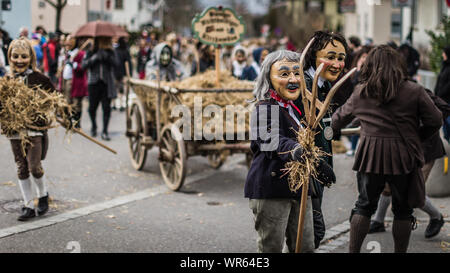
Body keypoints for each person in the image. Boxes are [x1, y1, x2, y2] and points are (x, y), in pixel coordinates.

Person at [332, 45, 443, 253]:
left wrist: (330, 130)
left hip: (370, 155)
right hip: (404, 156)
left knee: (363, 205)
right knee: (402, 210)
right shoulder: (414, 90)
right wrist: (419, 137)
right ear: (398, 65)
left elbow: (337, 121)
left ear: (370, 65)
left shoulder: (361, 92)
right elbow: (435, 119)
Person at [245, 50, 336, 253]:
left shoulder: (294, 108)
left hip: (299, 189)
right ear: (269, 78)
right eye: (284, 74)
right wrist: (296, 150)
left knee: (304, 247)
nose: (293, 79)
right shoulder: (264, 108)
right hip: (271, 189)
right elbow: (272, 140)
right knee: (271, 249)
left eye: (297, 73)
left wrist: (317, 163)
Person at [1, 37, 72, 221]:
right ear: (10, 57)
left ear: (30, 58)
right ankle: (27, 205)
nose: (19, 60)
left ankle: (43, 195)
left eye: (23, 56)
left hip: (35, 130)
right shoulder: (7, 81)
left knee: (34, 167)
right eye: (15, 56)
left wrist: (66, 117)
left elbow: (56, 99)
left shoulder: (40, 79)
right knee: (21, 167)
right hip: (15, 131)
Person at [368, 89, 450, 238]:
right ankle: (378, 221)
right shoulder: (386, 92)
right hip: (402, 149)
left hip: (426, 150)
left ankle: (437, 217)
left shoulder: (418, 91)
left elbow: (444, 108)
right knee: (387, 185)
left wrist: (424, 125)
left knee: (413, 192)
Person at [294, 30, 349, 248]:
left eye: (341, 58)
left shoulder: (323, 84)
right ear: (313, 57)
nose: (336, 64)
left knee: (311, 232)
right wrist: (316, 163)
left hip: (319, 167)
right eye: (330, 57)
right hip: (304, 169)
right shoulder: (302, 84)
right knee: (312, 231)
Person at [82, 36, 117, 141]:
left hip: (106, 83)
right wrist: (95, 58)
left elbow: (117, 64)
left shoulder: (110, 51)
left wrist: (107, 56)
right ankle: (94, 126)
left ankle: (105, 130)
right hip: (93, 83)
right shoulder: (90, 51)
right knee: (92, 108)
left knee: (106, 108)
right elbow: (83, 65)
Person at [435, 46, 450, 143]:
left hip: (447, 100)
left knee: (448, 122)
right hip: (441, 100)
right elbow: (440, 81)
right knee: (445, 125)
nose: (442, 54)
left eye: (444, 53)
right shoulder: (444, 66)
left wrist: (440, 93)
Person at [113, 37, 132, 111]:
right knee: (121, 89)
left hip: (116, 72)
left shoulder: (116, 50)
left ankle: (115, 104)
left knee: (117, 89)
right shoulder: (124, 51)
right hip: (121, 72)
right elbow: (128, 62)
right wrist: (128, 73)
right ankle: (120, 104)